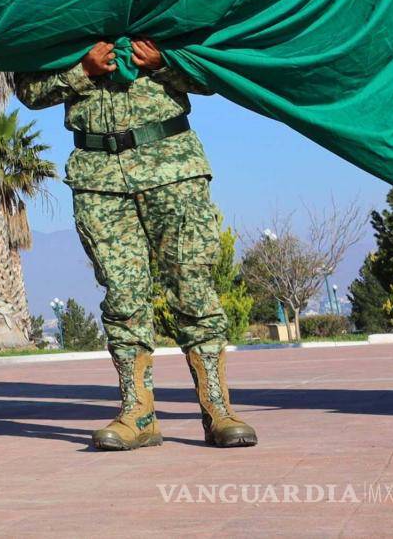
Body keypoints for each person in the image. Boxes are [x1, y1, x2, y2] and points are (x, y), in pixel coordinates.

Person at [18, 37, 255, 450]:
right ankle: (138, 412)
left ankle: (218, 409)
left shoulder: (160, 3)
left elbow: (211, 75)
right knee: (123, 298)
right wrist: (84, 70)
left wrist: (163, 60)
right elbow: (29, 91)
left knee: (193, 291)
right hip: (98, 175)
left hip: (171, 163)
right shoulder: (66, 14)